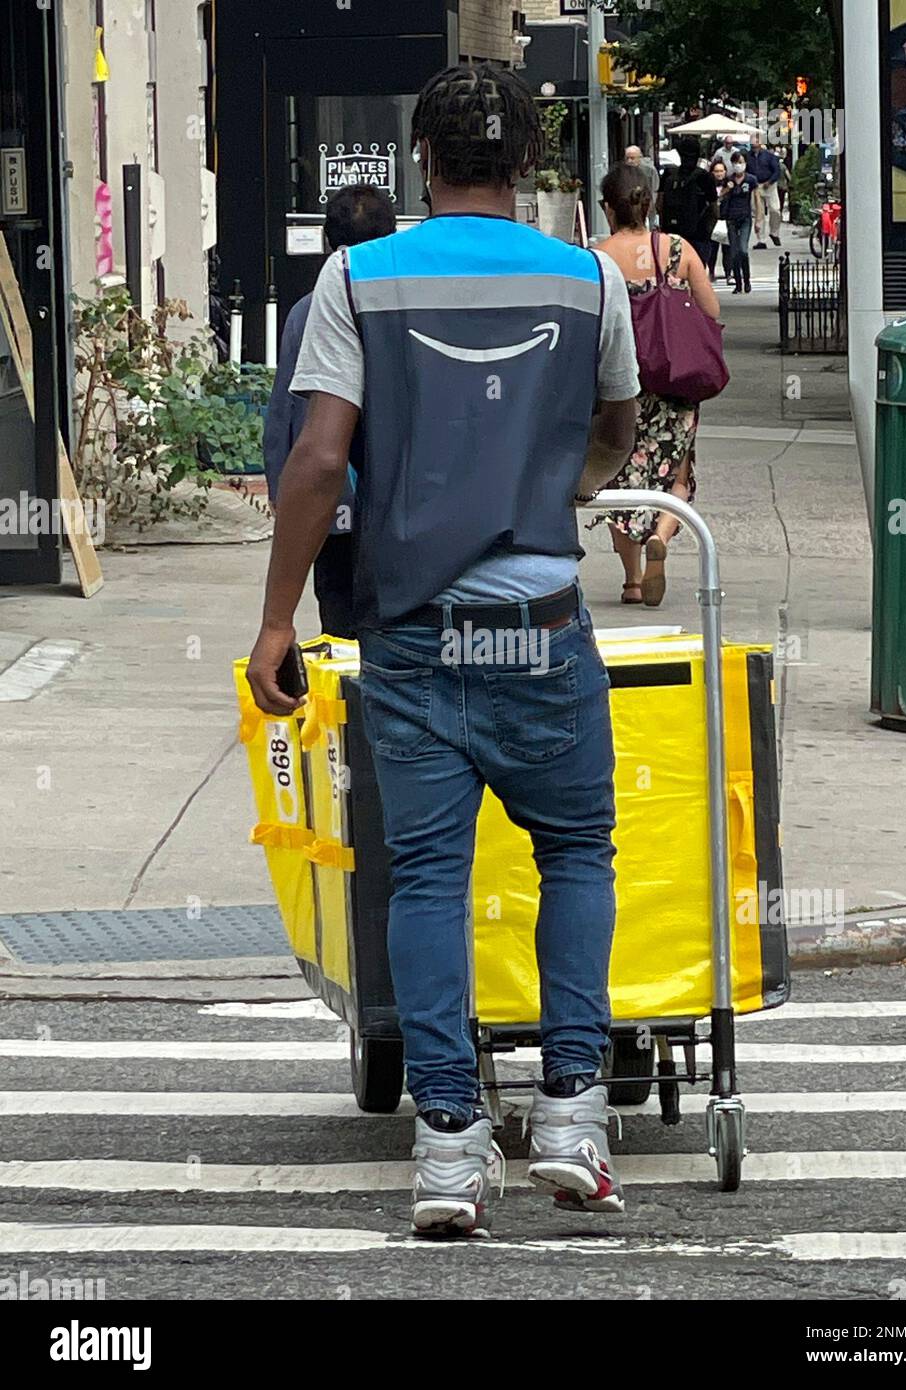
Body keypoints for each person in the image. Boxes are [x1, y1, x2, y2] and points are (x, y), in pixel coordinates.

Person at [246, 64, 640, 1238]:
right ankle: (572, 1112)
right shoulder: (586, 281)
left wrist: (278, 620)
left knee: (424, 877)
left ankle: (450, 1152)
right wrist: (555, 486)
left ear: (422, 160)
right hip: (540, 628)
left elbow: (318, 461)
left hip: (413, 632)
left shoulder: (359, 277)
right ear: (527, 166)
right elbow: (615, 422)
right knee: (576, 851)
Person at [263, 185, 397, 639]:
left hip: (329, 502)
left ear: (325, 241)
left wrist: (282, 485)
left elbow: (285, 407)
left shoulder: (306, 312)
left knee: (337, 615)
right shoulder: (402, 308)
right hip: (394, 502)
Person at [591, 162, 720, 607]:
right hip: (676, 382)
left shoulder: (598, 257)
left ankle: (630, 580)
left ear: (608, 207)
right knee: (677, 475)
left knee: (617, 474)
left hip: (620, 384)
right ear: (650, 203)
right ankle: (660, 538)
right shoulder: (678, 250)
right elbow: (711, 312)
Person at [657, 136, 718, 264]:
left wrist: (664, 225)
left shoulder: (669, 174)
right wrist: (708, 232)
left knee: (673, 274)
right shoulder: (705, 177)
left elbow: (659, 204)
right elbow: (714, 208)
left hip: (672, 233)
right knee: (697, 273)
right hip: (698, 234)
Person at [725, 154, 758, 294]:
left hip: (745, 217)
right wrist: (728, 188)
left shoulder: (751, 180)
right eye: (736, 162)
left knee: (743, 250)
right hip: (731, 218)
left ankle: (747, 280)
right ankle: (738, 283)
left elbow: (756, 198)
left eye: (741, 162)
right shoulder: (729, 180)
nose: (738, 165)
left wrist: (759, 218)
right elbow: (720, 196)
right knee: (734, 253)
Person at [745, 135, 782, 249]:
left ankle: (774, 232)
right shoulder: (747, 156)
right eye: (752, 144)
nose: (754, 146)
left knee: (775, 210)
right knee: (758, 213)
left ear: (760, 143)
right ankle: (761, 240)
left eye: (756, 143)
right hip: (756, 186)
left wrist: (770, 181)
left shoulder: (769, 156)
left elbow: (777, 171)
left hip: (769, 185)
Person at [706, 158, 733, 284]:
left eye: (721, 171)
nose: (719, 174)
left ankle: (729, 273)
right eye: (716, 171)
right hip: (712, 220)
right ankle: (711, 272)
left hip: (726, 219)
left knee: (727, 249)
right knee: (712, 249)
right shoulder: (708, 186)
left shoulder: (730, 186)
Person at [625, 144, 660, 227]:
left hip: (647, 207)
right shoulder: (623, 172)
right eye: (627, 158)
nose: (629, 161)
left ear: (639, 158)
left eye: (632, 158)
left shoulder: (649, 170)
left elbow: (655, 189)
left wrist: (650, 205)